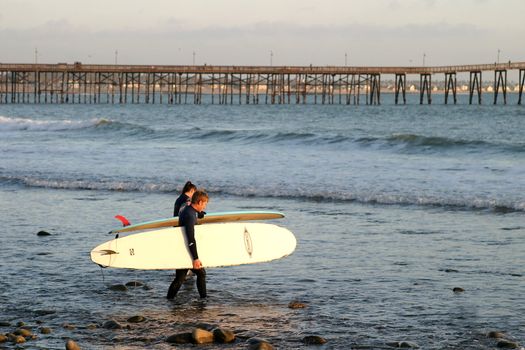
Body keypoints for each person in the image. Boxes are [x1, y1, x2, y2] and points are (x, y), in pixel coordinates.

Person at [167, 190, 209, 299]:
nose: (205, 207)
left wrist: (199, 214)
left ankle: (169, 299)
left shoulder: (187, 210)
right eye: (204, 204)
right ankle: (203, 300)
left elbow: (192, 211)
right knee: (201, 273)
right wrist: (195, 258)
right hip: (186, 250)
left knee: (180, 278)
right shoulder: (190, 216)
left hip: (182, 249)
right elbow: (191, 238)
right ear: (199, 202)